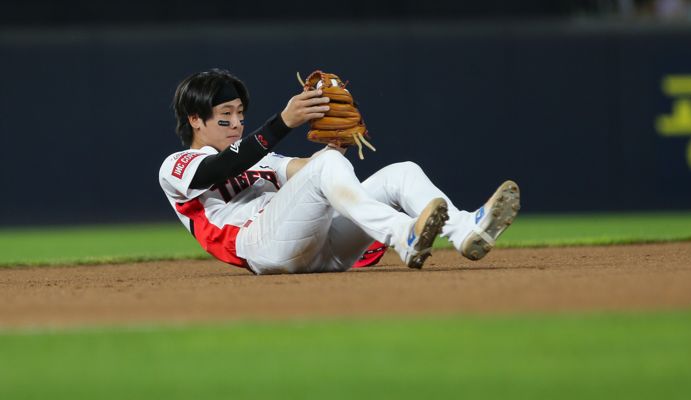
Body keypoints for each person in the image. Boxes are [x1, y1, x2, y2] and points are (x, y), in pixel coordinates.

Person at [158, 68, 520, 274]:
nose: (236, 122)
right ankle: (403, 236)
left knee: (400, 172)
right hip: (260, 248)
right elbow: (223, 166)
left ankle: (466, 232)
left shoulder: (262, 161)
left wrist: (336, 146)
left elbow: (311, 173)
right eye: (226, 113)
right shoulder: (177, 166)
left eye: (240, 112)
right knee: (326, 166)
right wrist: (282, 123)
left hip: (318, 246)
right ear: (195, 120)